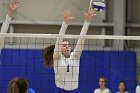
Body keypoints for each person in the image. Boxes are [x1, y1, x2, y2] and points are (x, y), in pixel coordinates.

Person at [42, 8, 94, 93]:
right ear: (60, 49)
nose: (66, 47)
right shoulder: (57, 57)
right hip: (60, 91)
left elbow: (81, 39)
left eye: (68, 45)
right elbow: (59, 40)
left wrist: (87, 22)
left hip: (74, 91)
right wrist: (65, 24)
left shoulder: (75, 56)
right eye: (64, 45)